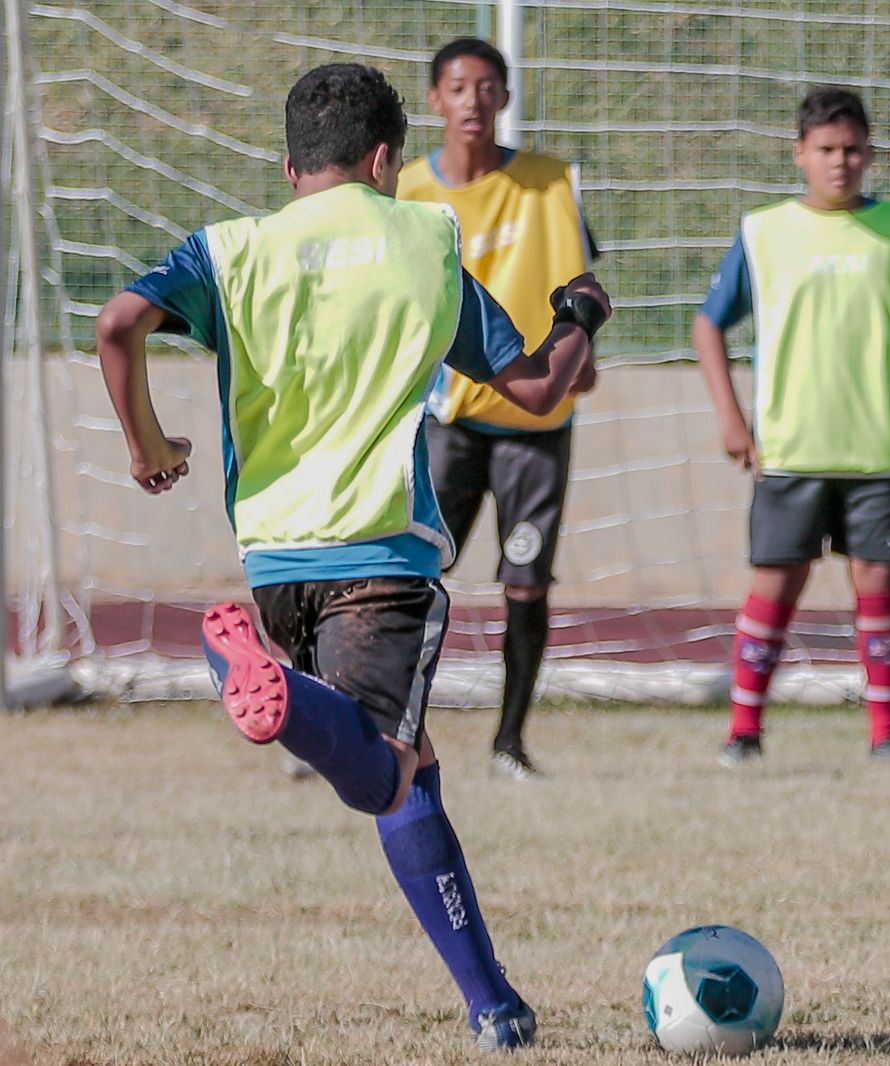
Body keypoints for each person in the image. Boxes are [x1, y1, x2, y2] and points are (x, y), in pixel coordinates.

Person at [94, 63, 610, 1050]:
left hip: (276, 564)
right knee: (380, 774)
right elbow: (537, 389)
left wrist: (148, 449)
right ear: (387, 157)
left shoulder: (230, 249)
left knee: (416, 775)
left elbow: (116, 323)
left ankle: (493, 1002)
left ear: (288, 165)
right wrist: (579, 312)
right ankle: (261, 685)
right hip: (380, 556)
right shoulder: (422, 237)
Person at [695, 86, 890, 766]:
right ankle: (744, 731)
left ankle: (885, 735)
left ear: (870, 155)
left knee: (877, 584)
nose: (839, 162)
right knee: (776, 584)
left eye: (851, 149)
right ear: (800, 154)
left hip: (878, 445)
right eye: (825, 149)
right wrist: (732, 417)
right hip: (791, 445)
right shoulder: (765, 232)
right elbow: (709, 323)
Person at [398, 37, 602, 781]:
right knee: (412, 576)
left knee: (526, 583)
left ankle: (510, 743)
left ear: (505, 98)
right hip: (446, 423)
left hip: (535, 428)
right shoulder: (409, 191)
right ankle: (382, 720)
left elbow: (583, 280)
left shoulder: (552, 184)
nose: (473, 100)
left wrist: (586, 356)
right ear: (435, 101)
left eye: (487, 87)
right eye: (458, 87)